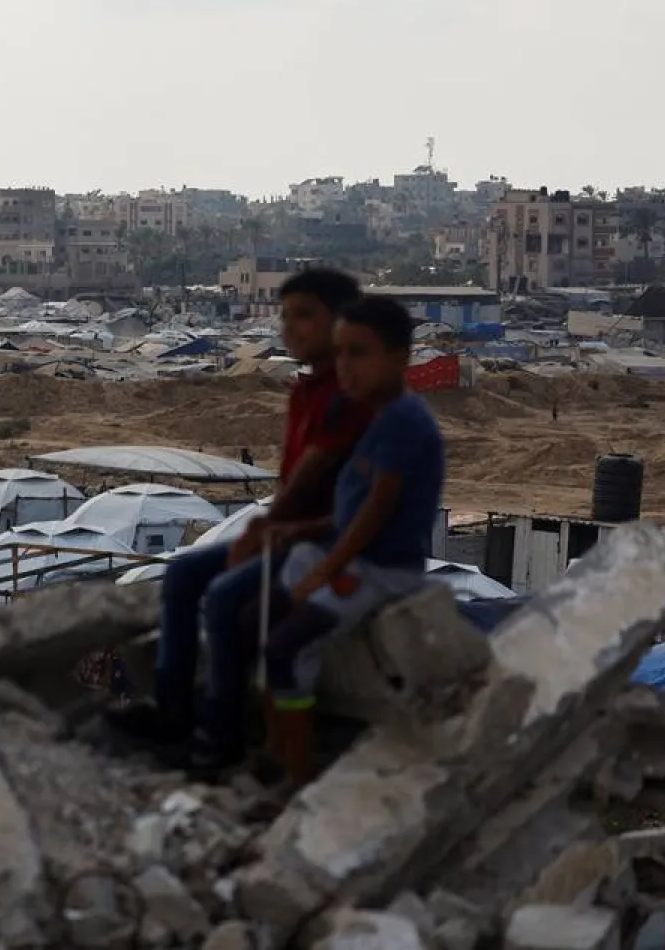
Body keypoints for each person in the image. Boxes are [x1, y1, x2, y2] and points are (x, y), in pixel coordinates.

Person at [110, 268, 370, 762]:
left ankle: (220, 728)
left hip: (325, 542)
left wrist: (269, 528)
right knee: (184, 574)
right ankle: (171, 707)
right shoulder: (307, 390)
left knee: (227, 599)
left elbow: (316, 483)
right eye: (286, 317)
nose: (290, 329)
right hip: (288, 534)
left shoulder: (350, 396)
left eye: (305, 317)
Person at [248, 295, 446, 782]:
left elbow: (376, 512)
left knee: (286, 647)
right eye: (340, 354)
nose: (345, 367)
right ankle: (274, 740)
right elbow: (351, 509)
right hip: (351, 558)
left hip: (379, 569)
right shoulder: (376, 418)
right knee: (254, 618)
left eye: (359, 354)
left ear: (398, 358)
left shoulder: (403, 423)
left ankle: (296, 770)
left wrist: (325, 568)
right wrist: (302, 531)